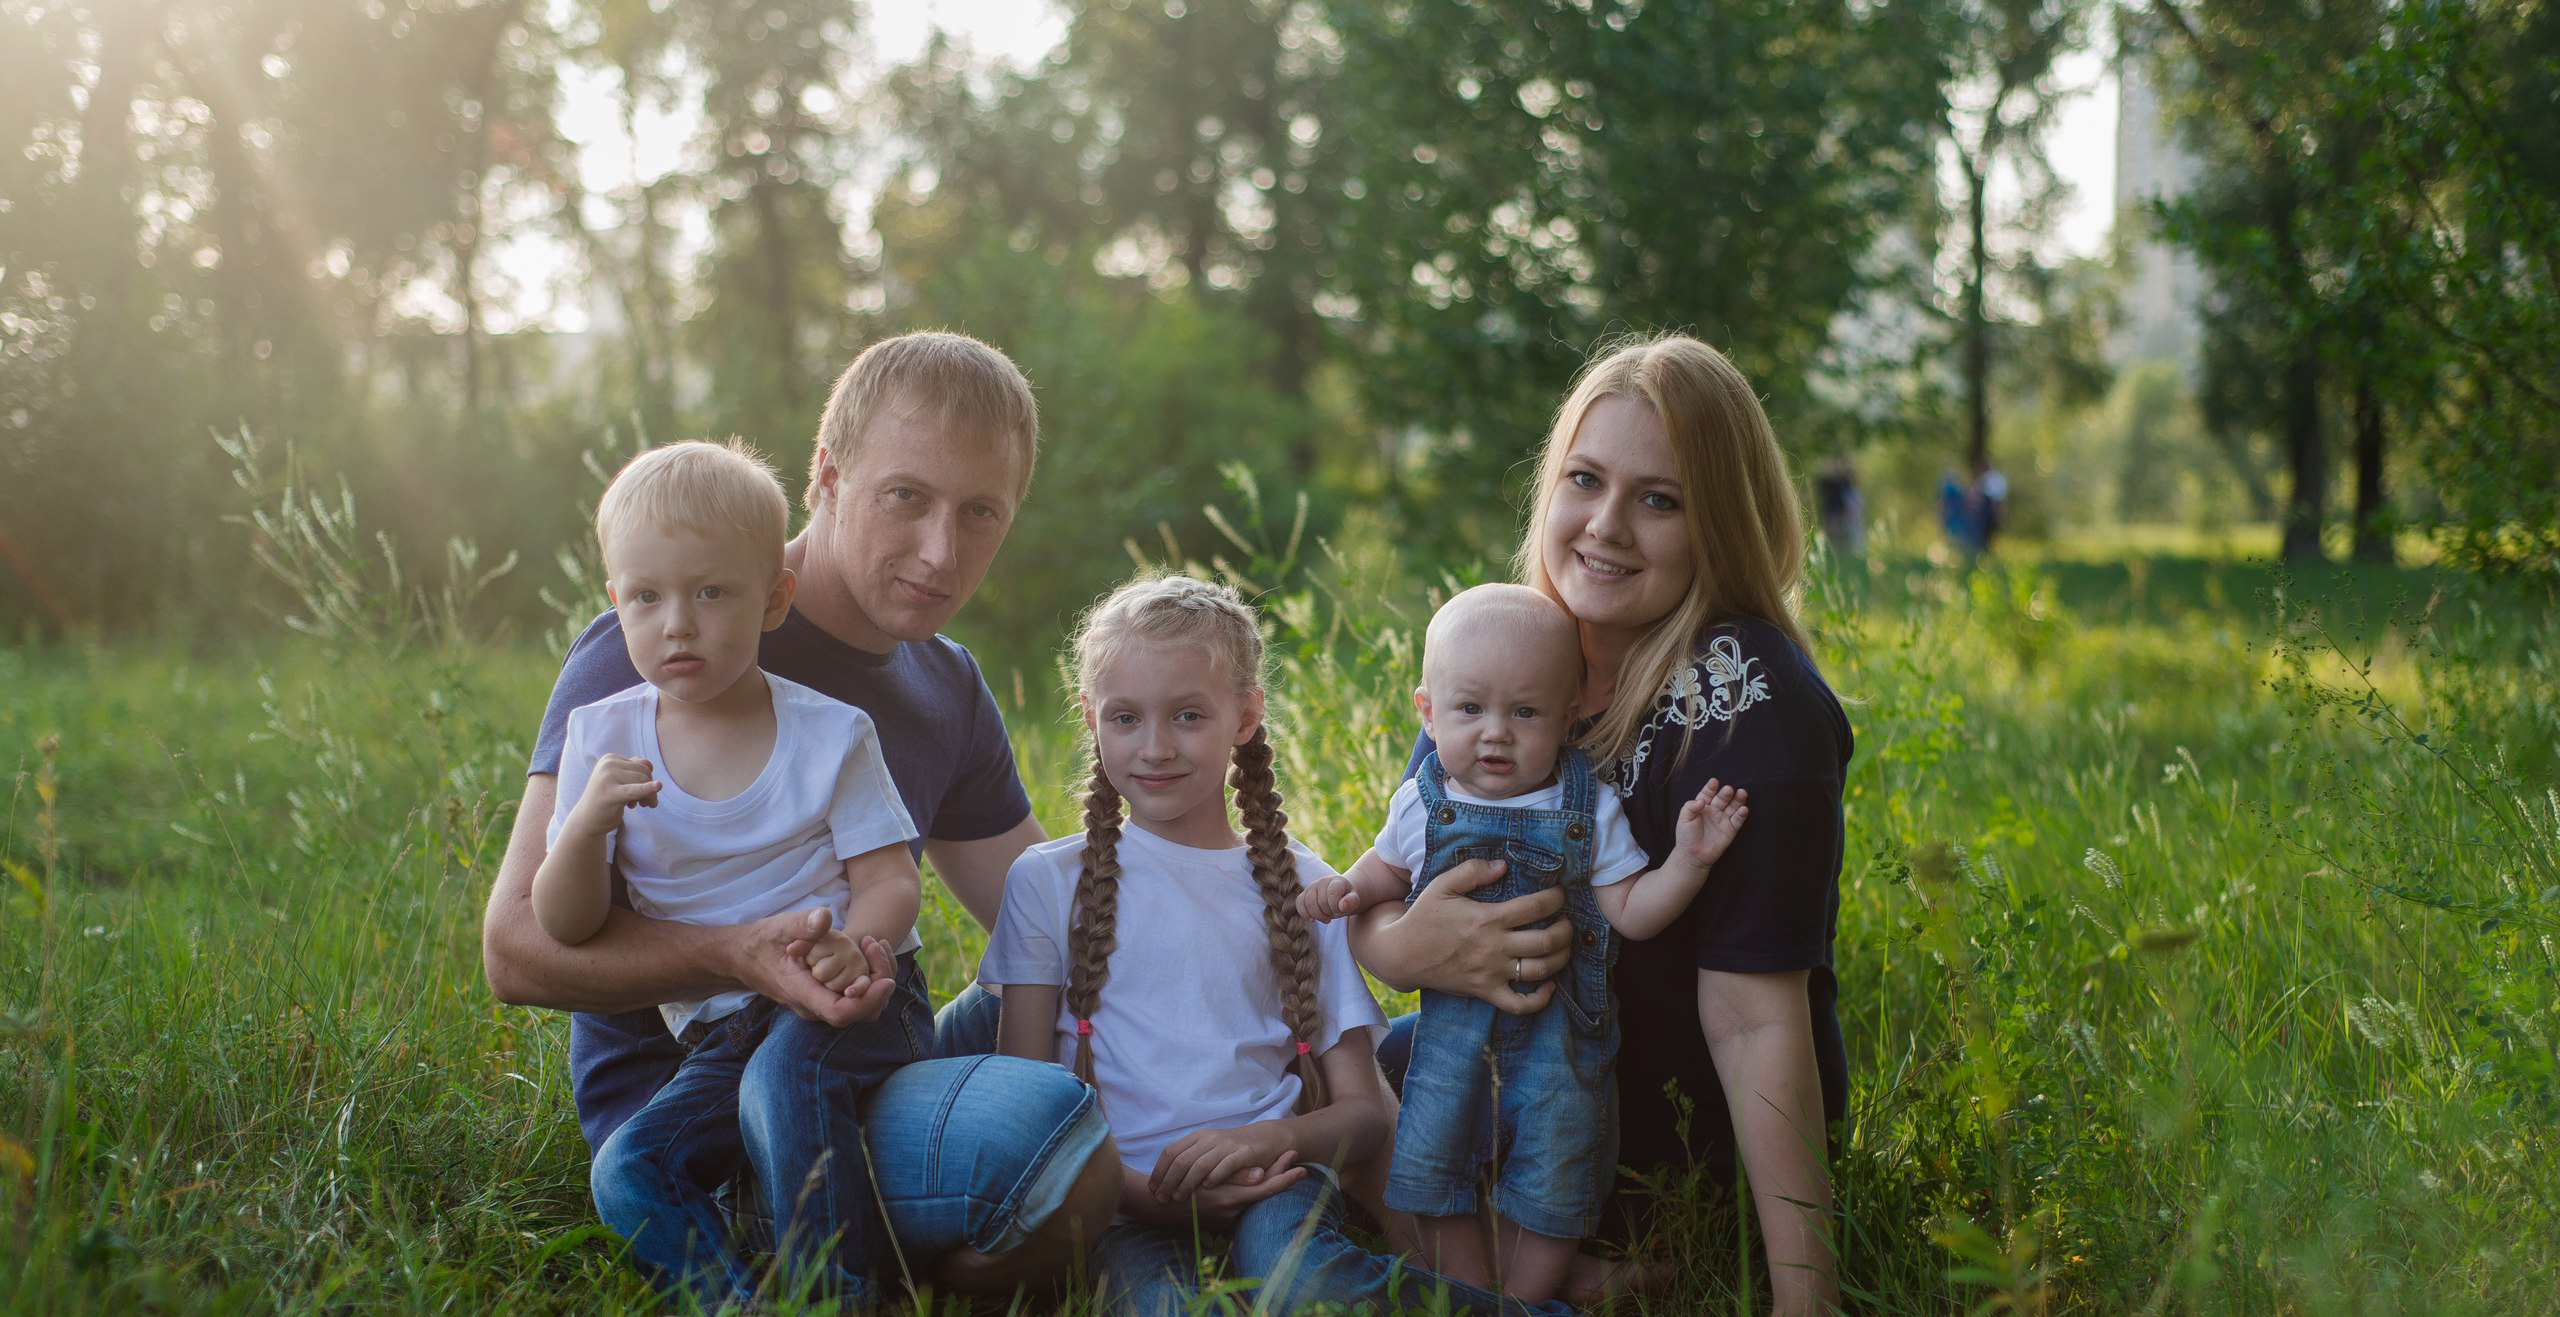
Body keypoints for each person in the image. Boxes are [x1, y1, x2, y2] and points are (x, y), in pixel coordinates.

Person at [482, 332, 1120, 1298]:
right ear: (826, 476)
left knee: (1039, 999)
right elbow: (516, 950)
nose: (941, 551)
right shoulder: (663, 644)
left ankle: (901, 1243)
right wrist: (740, 953)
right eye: (906, 496)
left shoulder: (945, 684)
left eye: (980, 512)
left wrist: (1289, 963)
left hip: (853, 1047)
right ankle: (855, 1257)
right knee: (1042, 1140)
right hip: (702, 1115)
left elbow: (1057, 931)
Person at [1350, 334, 1854, 1317]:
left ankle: (1502, 1279)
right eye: (1584, 481)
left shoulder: (1752, 705)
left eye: (1658, 499)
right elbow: (1382, 910)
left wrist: (1807, 1299)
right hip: (1493, 1060)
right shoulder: (1511, 657)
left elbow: (1754, 1018)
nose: (1607, 527)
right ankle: (1531, 1279)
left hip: (1655, 1128)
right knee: (1302, 1080)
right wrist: (1411, 945)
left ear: (1722, 523)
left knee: (1341, 1126)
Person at [981, 574, 1580, 1317]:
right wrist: (1139, 1194)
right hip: (1123, 1204)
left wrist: (1271, 1141)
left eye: (1188, 715)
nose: (1155, 746)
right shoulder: (1045, 882)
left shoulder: (1305, 886)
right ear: (1090, 719)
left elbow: (1364, 1114)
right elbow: (1019, 1115)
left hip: (1280, 1182)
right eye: (1125, 717)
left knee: (1301, 1285)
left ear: (1245, 715)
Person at [534, 440, 931, 1306]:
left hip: (859, 1000)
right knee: (629, 1168)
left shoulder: (831, 733)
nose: (678, 622)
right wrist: (584, 829)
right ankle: (736, 1300)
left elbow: (894, 880)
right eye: (647, 596)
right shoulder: (602, 738)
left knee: (785, 1080)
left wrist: (860, 948)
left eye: (711, 591)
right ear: (616, 603)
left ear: (772, 599)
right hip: (722, 1032)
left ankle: (843, 1296)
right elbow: (563, 922)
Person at [1295, 583, 1747, 1302]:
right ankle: (1495, 1291)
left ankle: (1526, 1295)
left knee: (1552, 1174)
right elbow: (1379, 876)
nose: (1496, 732)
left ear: (1569, 716)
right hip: (1449, 1049)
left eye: (1525, 711)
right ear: (1428, 712)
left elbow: (1631, 908)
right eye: (1470, 709)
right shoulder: (1420, 801)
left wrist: (1687, 862)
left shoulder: (1586, 803)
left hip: (1558, 1052)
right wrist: (1340, 890)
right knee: (1433, 1172)